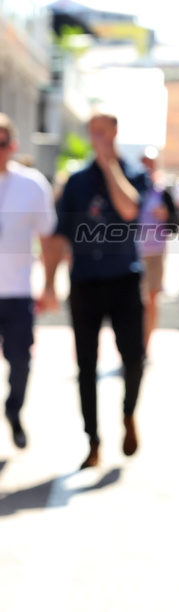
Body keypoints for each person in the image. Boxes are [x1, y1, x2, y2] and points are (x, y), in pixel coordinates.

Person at [45, 112, 149, 469]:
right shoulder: (75, 182)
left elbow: (129, 207)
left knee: (134, 358)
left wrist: (109, 167)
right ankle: (92, 439)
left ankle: (128, 414)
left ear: (116, 132)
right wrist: (48, 282)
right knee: (85, 365)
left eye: (104, 132)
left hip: (123, 278)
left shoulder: (134, 172)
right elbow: (59, 236)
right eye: (93, 133)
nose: (98, 138)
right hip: (85, 283)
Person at [0, 115, 57, 450]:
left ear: (13, 146)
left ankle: (13, 410)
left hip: (17, 292)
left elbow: (48, 238)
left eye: (2, 143)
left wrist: (49, 286)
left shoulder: (32, 185)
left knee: (20, 362)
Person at [137, 146, 177, 354]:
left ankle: (146, 344)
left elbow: (175, 223)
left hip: (156, 253)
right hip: (133, 253)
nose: (147, 167)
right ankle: (134, 342)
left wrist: (166, 215)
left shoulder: (162, 190)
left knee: (152, 299)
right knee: (134, 301)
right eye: (144, 162)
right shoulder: (132, 187)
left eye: (151, 163)